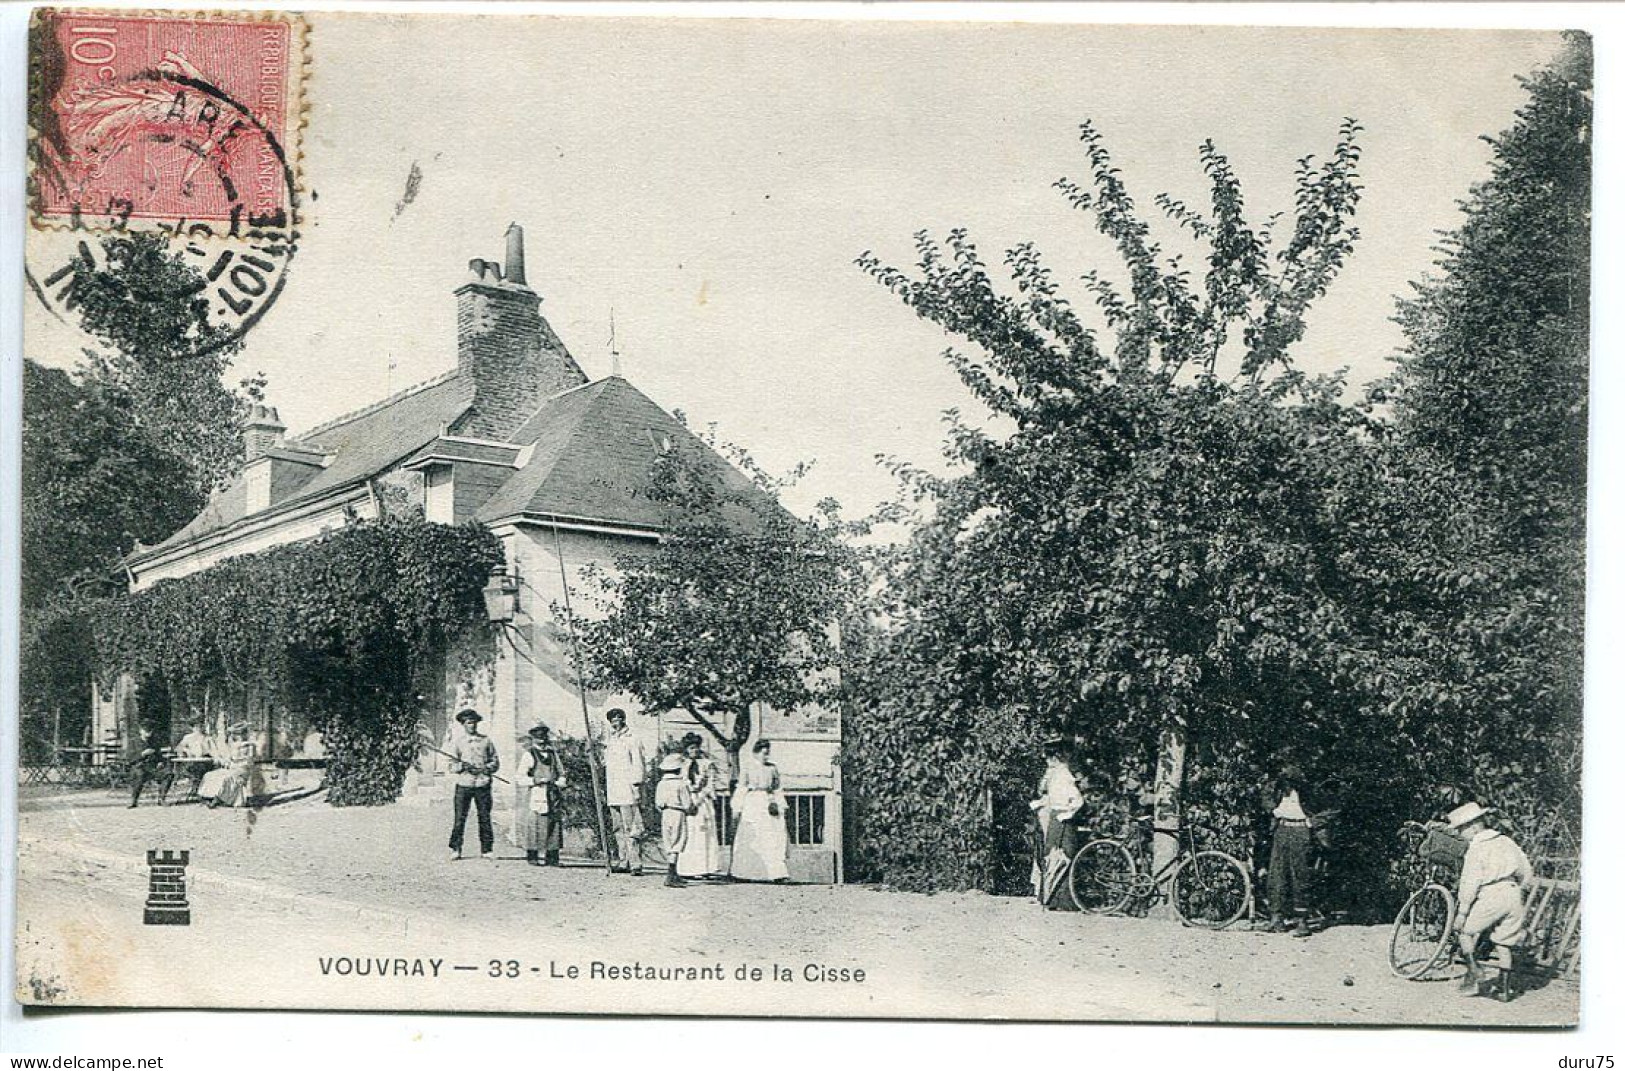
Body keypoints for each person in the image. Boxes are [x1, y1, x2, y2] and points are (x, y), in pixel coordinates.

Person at [1449, 801, 1533, 995]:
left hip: (1492, 893)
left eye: (1462, 829)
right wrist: (1517, 889)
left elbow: (1470, 882)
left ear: (1473, 826)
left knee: (1464, 931)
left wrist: (1462, 912)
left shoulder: (1477, 849)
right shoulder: (1507, 841)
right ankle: (1503, 990)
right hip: (1513, 893)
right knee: (1504, 941)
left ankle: (1474, 969)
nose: (1461, 834)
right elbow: (1526, 870)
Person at [1265, 765, 1319, 936]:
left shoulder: (1309, 793)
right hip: (1281, 830)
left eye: (1289, 782)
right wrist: (1273, 810)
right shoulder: (1278, 788)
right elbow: (1265, 797)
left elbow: (1332, 808)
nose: (1286, 786)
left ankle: (1302, 921)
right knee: (1276, 874)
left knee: (1300, 875)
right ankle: (1276, 918)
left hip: (1300, 831)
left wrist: (1312, 822)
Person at [1029, 736, 1083, 906]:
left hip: (1062, 819)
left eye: (1051, 757)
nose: (1048, 760)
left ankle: (1062, 899)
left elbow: (1076, 799)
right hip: (1054, 817)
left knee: (1062, 856)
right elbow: (1051, 796)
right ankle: (1050, 897)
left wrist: (1066, 813)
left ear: (1058, 757)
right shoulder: (1054, 774)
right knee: (1051, 856)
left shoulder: (1064, 775)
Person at [729, 739, 790, 883]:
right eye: (763, 753)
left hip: (768, 802)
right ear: (755, 753)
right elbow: (742, 787)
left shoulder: (772, 768)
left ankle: (776, 874)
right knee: (751, 835)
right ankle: (743, 873)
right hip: (753, 802)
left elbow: (777, 787)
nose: (766, 757)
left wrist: (780, 804)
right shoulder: (748, 767)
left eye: (768, 754)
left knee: (772, 837)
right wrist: (737, 807)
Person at [448, 709, 499, 860]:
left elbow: (495, 761)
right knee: (459, 818)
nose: (472, 725)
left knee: (484, 816)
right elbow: (451, 765)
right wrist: (462, 766)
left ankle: (487, 849)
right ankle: (456, 849)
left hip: (482, 784)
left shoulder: (486, 741)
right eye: (469, 723)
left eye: (474, 722)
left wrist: (485, 768)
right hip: (464, 784)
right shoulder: (458, 743)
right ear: (463, 725)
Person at [601, 708, 647, 875]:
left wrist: (637, 784)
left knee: (631, 828)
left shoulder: (632, 739)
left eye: (619, 718)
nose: (616, 721)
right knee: (617, 828)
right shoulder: (611, 740)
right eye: (613, 719)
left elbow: (638, 763)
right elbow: (606, 763)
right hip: (614, 790)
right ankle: (623, 861)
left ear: (624, 719)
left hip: (628, 790)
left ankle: (636, 863)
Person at [676, 733, 723, 879]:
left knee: (704, 833)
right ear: (686, 750)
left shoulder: (706, 764)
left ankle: (706, 867)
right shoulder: (681, 765)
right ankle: (689, 869)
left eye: (696, 747)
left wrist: (699, 798)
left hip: (702, 803)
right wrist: (688, 797)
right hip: (688, 801)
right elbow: (680, 783)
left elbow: (710, 785)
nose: (694, 751)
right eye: (691, 748)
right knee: (690, 834)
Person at [518, 725, 566, 867]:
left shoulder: (553, 754)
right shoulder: (529, 754)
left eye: (543, 737)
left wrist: (558, 783)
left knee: (554, 824)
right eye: (538, 738)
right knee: (534, 824)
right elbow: (520, 777)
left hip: (552, 793)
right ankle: (532, 855)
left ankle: (552, 857)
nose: (541, 740)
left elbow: (562, 773)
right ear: (534, 739)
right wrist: (534, 781)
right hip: (536, 793)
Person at [655, 752, 695, 888]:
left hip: (666, 813)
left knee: (669, 840)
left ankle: (674, 873)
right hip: (678, 813)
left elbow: (658, 803)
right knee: (677, 841)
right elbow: (688, 804)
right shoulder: (681, 784)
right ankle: (671, 874)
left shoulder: (661, 784)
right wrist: (691, 809)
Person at [199, 723, 258, 808]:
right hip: (232, 767)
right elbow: (229, 757)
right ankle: (208, 796)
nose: (239, 736)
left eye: (241, 734)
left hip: (243, 769)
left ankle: (217, 799)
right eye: (236, 734)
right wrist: (225, 761)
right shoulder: (233, 745)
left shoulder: (250, 746)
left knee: (226, 778)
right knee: (210, 775)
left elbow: (250, 761)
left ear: (245, 734)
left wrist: (236, 763)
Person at [127, 726, 174, 808]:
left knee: (168, 774)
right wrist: (142, 754)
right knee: (140, 774)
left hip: (153, 767)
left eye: (150, 731)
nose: (148, 733)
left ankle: (162, 798)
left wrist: (160, 762)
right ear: (140, 731)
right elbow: (129, 758)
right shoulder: (133, 742)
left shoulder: (154, 742)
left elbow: (159, 756)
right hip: (139, 766)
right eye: (146, 731)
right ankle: (134, 800)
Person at [171, 720, 215, 801]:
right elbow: (178, 748)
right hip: (191, 762)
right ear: (192, 728)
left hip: (205, 763)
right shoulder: (188, 737)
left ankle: (200, 792)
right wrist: (186, 751)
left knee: (202, 770)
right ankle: (197, 792)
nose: (198, 729)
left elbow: (213, 751)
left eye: (201, 726)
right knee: (194, 770)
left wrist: (212, 754)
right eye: (196, 727)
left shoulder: (207, 738)